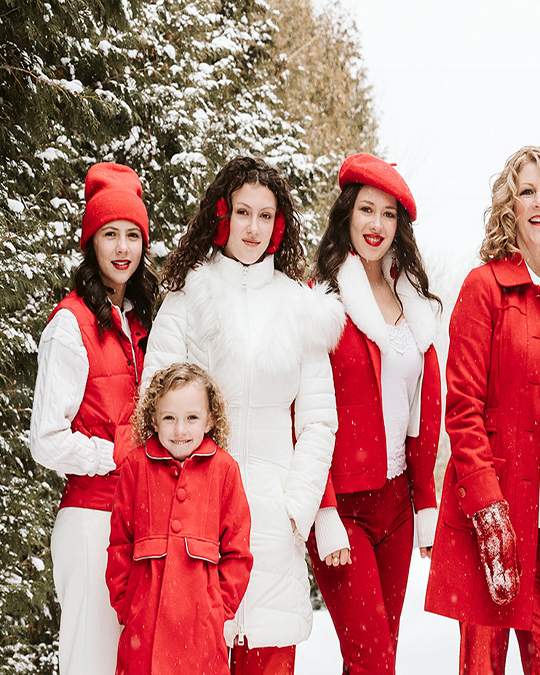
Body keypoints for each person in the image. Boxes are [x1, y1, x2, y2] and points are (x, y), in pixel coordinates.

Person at [143, 156, 344, 673]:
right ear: (222, 215)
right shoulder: (189, 297)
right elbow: (154, 402)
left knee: (270, 654)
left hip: (275, 516)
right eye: (242, 212)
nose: (252, 227)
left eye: (264, 215)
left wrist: (297, 505)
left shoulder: (298, 305)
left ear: (277, 225)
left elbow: (320, 419)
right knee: (198, 653)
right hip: (196, 512)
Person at [426, 145, 540, 675]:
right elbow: (463, 409)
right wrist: (489, 513)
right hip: (492, 523)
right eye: (526, 191)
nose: (539, 202)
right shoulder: (485, 287)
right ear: (509, 208)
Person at [307, 152, 443, 674]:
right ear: (347, 214)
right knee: (372, 658)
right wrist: (324, 510)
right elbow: (308, 413)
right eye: (367, 209)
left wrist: (424, 503)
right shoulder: (322, 301)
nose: (377, 225)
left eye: (389, 214)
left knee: (377, 652)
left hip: (396, 506)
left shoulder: (415, 305)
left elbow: (423, 409)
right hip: (345, 504)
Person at [29, 161, 157, 674]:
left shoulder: (143, 321)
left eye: (133, 235)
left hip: (136, 521)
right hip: (89, 523)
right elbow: (46, 440)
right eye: (110, 234)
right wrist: (117, 453)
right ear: (92, 241)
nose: (123, 248)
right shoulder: (70, 324)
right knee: (90, 665)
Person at [107, 363, 253, 674]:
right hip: (143, 630)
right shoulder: (136, 467)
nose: (180, 430)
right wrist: (128, 605)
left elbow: (238, 553)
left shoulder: (225, 470)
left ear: (210, 419)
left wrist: (217, 609)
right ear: (154, 420)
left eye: (192, 418)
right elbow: (120, 542)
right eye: (169, 418)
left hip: (201, 633)